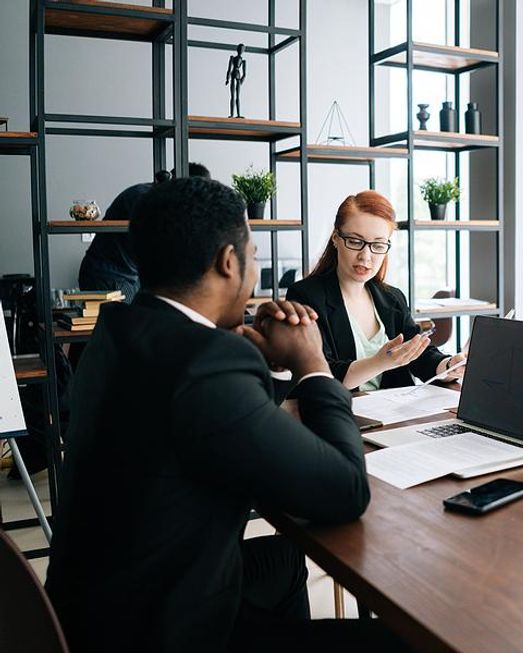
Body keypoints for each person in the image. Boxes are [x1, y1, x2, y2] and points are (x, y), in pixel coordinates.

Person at [45, 177, 401, 652]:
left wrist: (274, 367)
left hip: (95, 607)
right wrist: (313, 367)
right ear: (228, 262)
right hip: (165, 630)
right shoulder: (204, 363)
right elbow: (345, 491)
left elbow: (226, 426)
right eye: (253, 257)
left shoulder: (119, 331)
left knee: (284, 563)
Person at [286, 190, 466, 391]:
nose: (365, 256)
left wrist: (449, 366)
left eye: (378, 245)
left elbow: (418, 355)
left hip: (393, 415)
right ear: (336, 238)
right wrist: (380, 362)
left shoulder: (392, 298)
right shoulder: (305, 296)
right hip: (341, 415)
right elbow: (319, 375)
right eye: (355, 241)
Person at [77, 163, 211, 302]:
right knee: (135, 321)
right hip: (109, 276)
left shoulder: (151, 195)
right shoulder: (144, 197)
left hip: (127, 276)